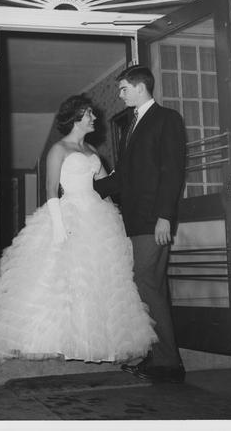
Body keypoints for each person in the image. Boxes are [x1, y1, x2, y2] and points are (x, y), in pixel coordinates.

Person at [0, 94, 157, 363]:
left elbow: (103, 189)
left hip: (98, 218)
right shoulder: (59, 150)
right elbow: (50, 189)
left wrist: (116, 218)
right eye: (89, 113)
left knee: (98, 280)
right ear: (76, 117)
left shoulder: (92, 152)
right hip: (68, 216)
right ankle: (58, 341)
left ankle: (100, 344)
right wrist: (58, 226)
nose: (94, 118)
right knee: (64, 279)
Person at [94, 65, 187, 383]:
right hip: (136, 220)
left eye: (123, 89)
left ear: (140, 87)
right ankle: (157, 357)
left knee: (148, 285)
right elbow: (125, 176)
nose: (119, 95)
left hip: (153, 220)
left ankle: (169, 364)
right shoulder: (134, 124)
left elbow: (172, 171)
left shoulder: (167, 119)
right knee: (147, 288)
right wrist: (87, 190)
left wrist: (165, 216)